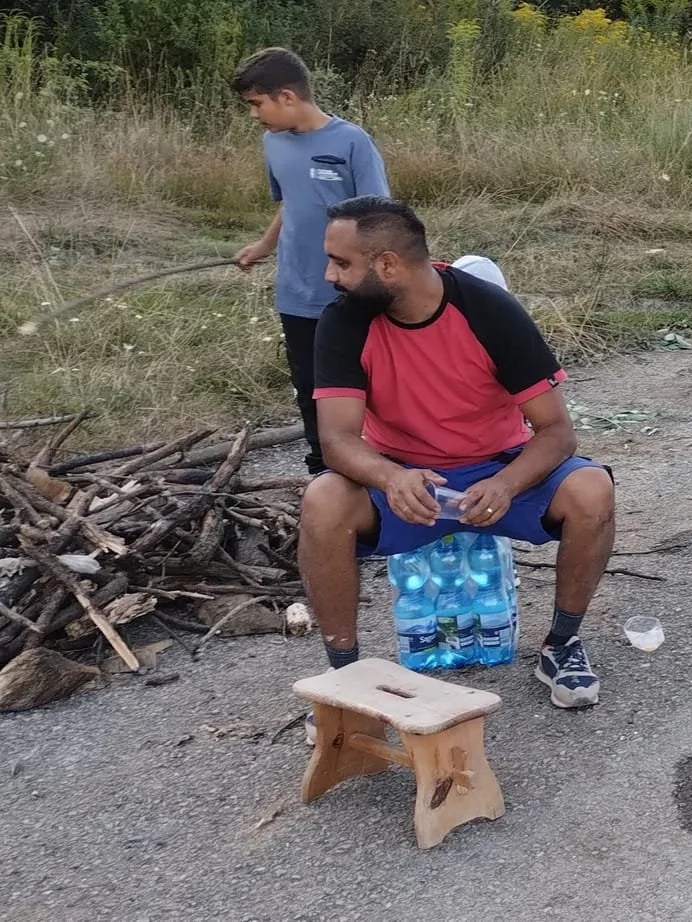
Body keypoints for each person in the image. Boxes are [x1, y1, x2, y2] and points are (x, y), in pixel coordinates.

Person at [298, 196, 616, 710]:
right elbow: (336, 441)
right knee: (323, 500)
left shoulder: (488, 310)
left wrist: (508, 482)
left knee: (591, 489)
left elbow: (557, 431)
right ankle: (345, 676)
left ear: (387, 265)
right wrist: (389, 478)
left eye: (341, 263)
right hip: (404, 483)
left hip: (497, 471)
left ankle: (561, 644)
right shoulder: (344, 322)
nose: (330, 276)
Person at [230, 46, 391, 476]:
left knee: (364, 386)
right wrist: (263, 246)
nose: (254, 115)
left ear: (286, 96)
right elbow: (289, 203)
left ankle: (379, 468)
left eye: (256, 104)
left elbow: (378, 216)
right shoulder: (272, 142)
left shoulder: (352, 142)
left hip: (349, 293)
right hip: (296, 292)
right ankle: (325, 473)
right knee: (311, 388)